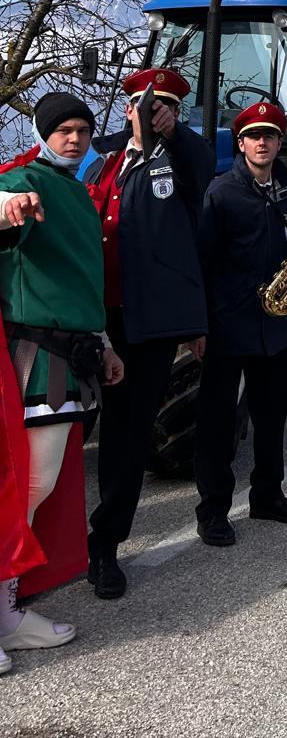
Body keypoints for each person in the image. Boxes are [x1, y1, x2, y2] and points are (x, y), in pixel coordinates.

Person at [0, 92, 123, 671]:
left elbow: (81, 282)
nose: (74, 138)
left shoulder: (77, 191)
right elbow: (3, 208)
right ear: (42, 132)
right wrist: (6, 205)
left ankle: (7, 612)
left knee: (37, 488)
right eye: (63, 129)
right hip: (35, 358)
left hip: (74, 354)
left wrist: (103, 345)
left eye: (82, 129)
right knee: (24, 488)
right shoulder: (26, 178)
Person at [84, 67, 214, 600]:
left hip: (146, 324)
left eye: (162, 105)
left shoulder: (180, 157)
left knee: (126, 437)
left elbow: (201, 166)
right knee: (65, 437)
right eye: (140, 102)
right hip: (91, 317)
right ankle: (50, 548)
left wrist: (172, 131)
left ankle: (105, 547)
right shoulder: (105, 160)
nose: (148, 110)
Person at [192, 101, 287, 547]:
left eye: (270, 136)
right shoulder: (220, 193)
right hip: (229, 324)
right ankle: (213, 511)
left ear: (278, 143)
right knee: (218, 424)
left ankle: (267, 496)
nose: (262, 142)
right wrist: (199, 326)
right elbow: (201, 262)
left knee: (272, 418)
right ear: (241, 143)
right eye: (254, 136)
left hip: (274, 325)